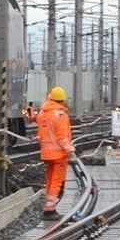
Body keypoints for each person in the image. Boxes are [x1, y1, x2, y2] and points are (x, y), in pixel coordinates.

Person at [36, 85, 74, 218]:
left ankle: (49, 205)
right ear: (62, 100)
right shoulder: (60, 115)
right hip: (59, 154)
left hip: (46, 153)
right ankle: (50, 209)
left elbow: (40, 135)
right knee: (57, 181)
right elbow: (63, 138)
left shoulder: (42, 113)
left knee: (50, 179)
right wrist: (70, 151)